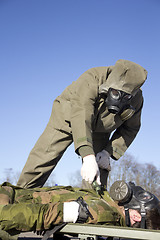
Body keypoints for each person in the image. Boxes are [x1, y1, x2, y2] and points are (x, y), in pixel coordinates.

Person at [17, 59, 148, 189]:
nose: (117, 98)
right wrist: (87, 155)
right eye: (114, 93)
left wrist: (108, 153)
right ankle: (19, 197)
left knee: (98, 172)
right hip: (67, 118)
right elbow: (81, 112)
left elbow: (131, 129)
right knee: (42, 159)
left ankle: (94, 205)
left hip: (101, 129)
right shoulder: (92, 78)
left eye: (125, 96)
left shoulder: (136, 99)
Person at [0, 181, 159, 239]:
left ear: (137, 217)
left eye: (139, 198)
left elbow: (43, 214)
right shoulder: (109, 205)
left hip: (7, 204)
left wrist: (67, 211)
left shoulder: (104, 212)